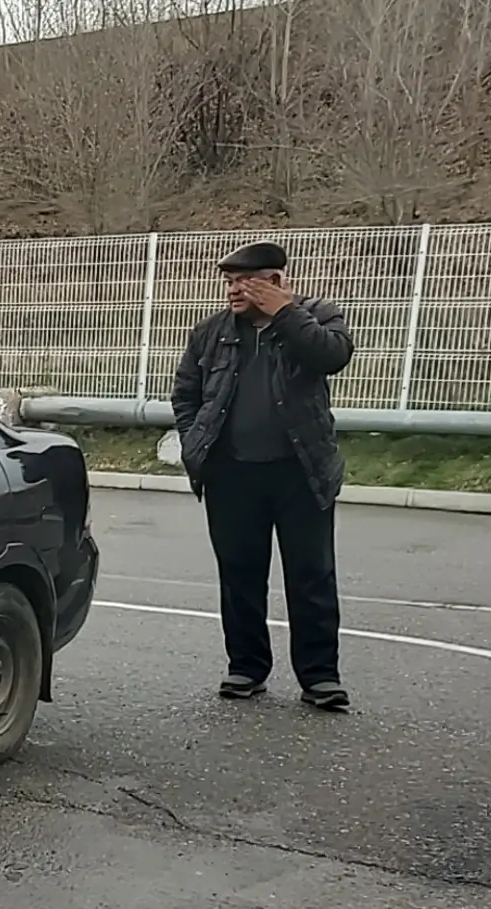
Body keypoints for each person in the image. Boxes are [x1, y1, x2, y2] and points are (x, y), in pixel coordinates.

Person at [170, 240, 355, 712]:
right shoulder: (210, 333)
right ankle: (246, 667)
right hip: (231, 474)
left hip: (301, 471)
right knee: (240, 574)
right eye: (229, 282)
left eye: (244, 282)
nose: (233, 290)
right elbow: (186, 394)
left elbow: (331, 356)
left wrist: (286, 314)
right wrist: (195, 444)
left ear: (274, 282)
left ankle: (320, 678)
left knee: (311, 575)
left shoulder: (317, 316)